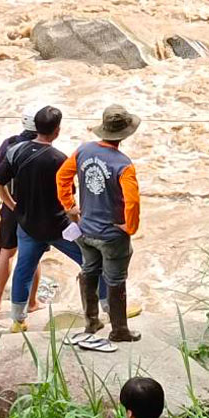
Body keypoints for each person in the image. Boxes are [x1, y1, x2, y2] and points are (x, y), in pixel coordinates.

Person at [0, 105, 107, 333]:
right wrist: (79, 221)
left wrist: (11, 205)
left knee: (24, 269)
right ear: (57, 131)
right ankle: (108, 307)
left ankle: (18, 320)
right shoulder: (59, 160)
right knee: (93, 260)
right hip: (57, 226)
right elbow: (68, 200)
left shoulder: (17, 151)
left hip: (28, 225)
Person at [58, 105, 143, 343]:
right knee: (115, 280)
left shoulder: (83, 150)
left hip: (85, 229)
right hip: (111, 235)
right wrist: (130, 227)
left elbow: (62, 176)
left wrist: (69, 206)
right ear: (125, 134)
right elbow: (132, 200)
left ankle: (91, 321)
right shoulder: (123, 164)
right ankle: (119, 330)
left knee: (88, 270)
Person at [0, 106, 36, 313]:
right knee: (33, 253)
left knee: (6, 251)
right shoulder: (42, 147)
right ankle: (32, 302)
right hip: (32, 208)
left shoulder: (9, 144)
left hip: (8, 204)